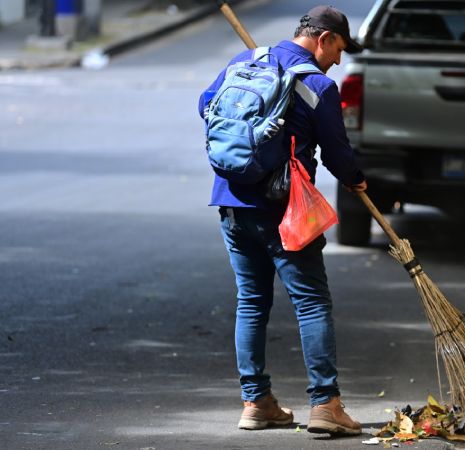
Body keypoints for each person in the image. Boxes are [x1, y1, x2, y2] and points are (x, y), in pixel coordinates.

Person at [198, 5, 367, 436]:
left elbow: (205, 105)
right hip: (286, 209)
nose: (339, 61)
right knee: (311, 303)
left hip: (233, 201)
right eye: (340, 50)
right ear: (324, 39)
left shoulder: (245, 61)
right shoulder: (317, 85)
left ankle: (256, 403)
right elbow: (337, 152)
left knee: (251, 301)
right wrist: (356, 181)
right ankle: (326, 404)